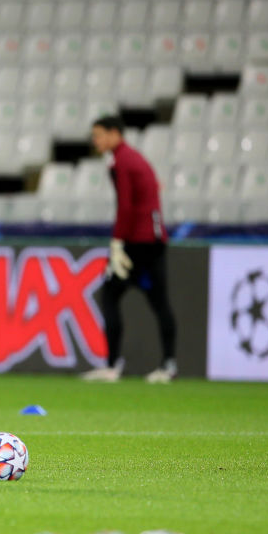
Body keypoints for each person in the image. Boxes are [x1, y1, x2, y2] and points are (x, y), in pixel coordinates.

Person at [82, 115, 177, 384]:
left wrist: (117, 243)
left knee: (113, 297)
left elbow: (126, 206)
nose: (95, 141)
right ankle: (167, 364)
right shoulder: (133, 158)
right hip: (151, 240)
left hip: (138, 243)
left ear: (114, 133)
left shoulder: (121, 161)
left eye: (99, 135)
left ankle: (113, 366)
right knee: (156, 302)